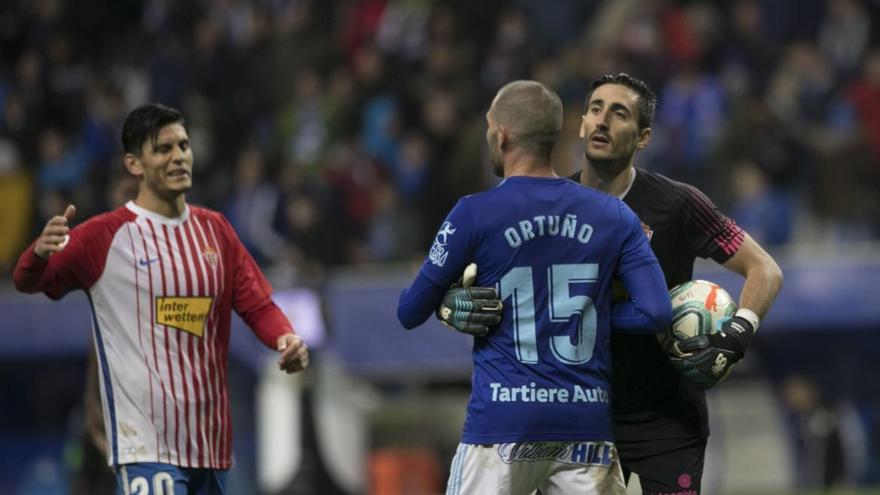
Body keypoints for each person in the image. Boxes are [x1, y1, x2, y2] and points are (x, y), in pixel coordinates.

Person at [437, 73, 784, 494]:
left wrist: (736, 334)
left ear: (643, 138)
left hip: (667, 420)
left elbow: (765, 269)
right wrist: (451, 303)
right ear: (581, 125)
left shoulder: (679, 205)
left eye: (619, 114)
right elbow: (470, 282)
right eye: (596, 110)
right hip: (578, 420)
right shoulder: (543, 206)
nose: (602, 122)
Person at [13, 103, 310, 493]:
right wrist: (37, 254)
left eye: (183, 146)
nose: (179, 157)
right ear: (134, 164)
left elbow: (257, 304)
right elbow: (29, 281)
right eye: (164, 149)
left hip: (209, 445)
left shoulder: (216, 231)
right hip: (146, 448)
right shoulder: (104, 237)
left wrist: (284, 337)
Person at [397, 80, 672, 495]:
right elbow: (657, 312)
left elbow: (408, 311)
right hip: (586, 427)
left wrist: (446, 304)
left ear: (501, 134)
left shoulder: (473, 214)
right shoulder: (614, 215)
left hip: (501, 427)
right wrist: (589, 313)